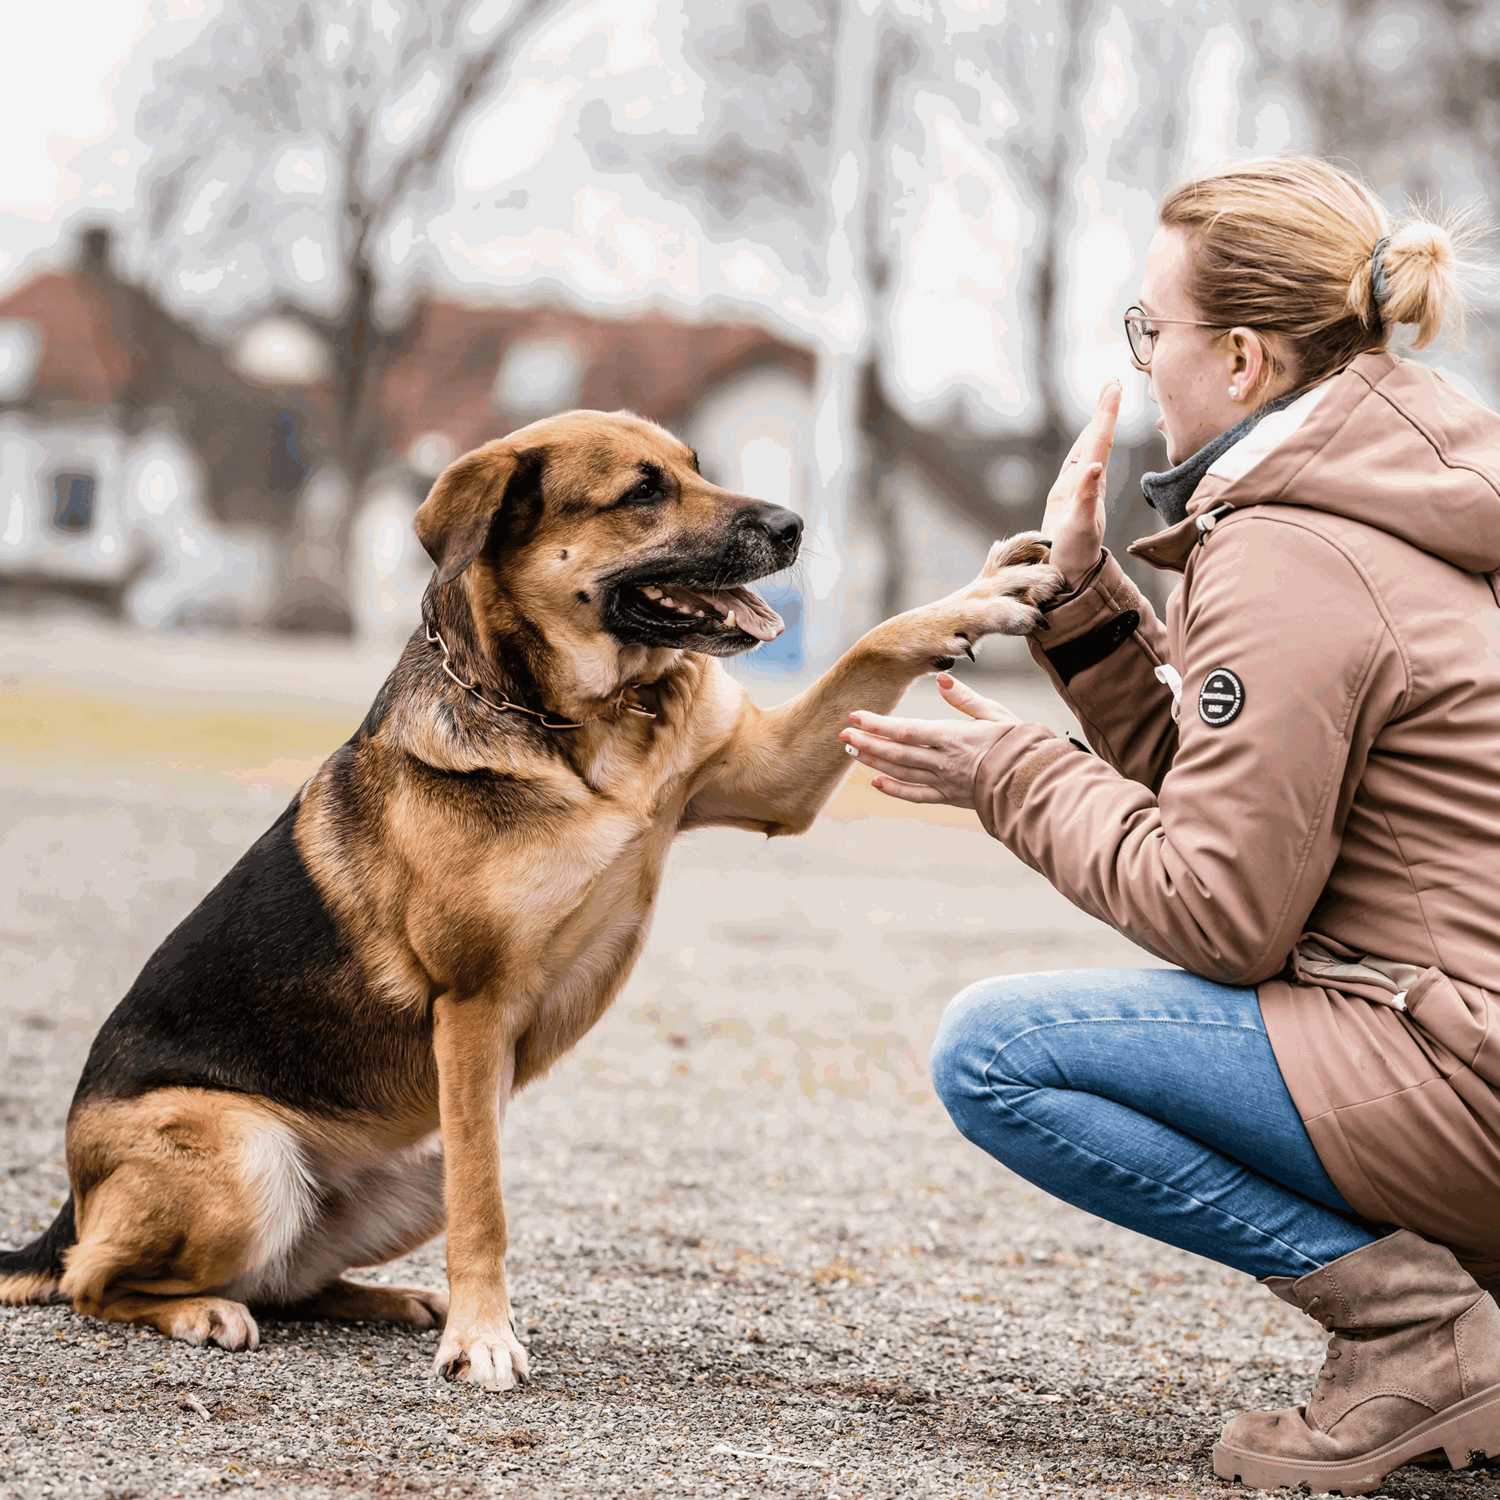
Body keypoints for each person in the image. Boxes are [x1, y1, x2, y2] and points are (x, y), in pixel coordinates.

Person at [839, 155, 1500, 1495]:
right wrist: (1085, 610)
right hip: (1462, 1041)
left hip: (1461, 1072)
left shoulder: (1291, 548)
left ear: (1244, 358)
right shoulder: (1393, 492)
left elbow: (1219, 912)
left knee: (1003, 1053)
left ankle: (1424, 1334)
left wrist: (1006, 775)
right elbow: (1245, 815)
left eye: (1154, 331)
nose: (1145, 365)